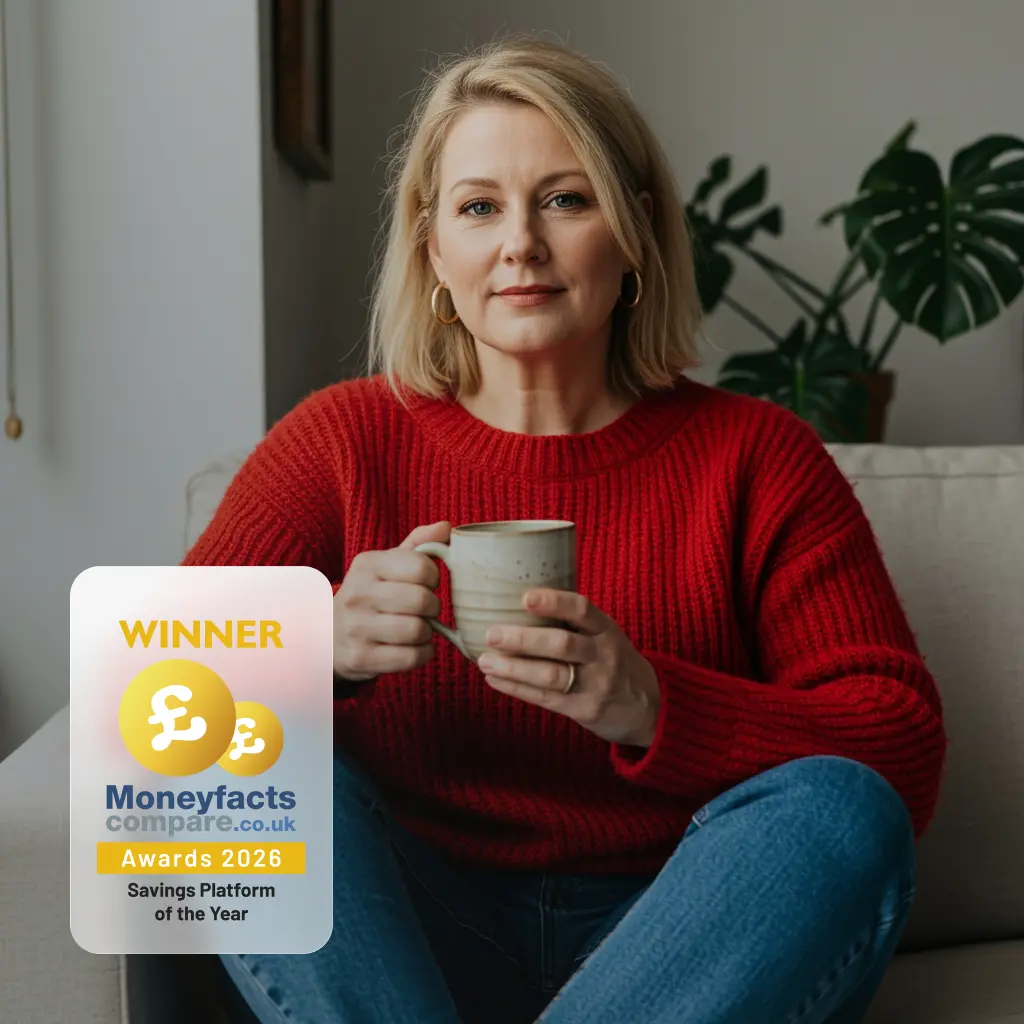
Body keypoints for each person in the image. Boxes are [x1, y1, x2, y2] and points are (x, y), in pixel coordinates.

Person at [185, 36, 946, 1024]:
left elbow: (899, 740)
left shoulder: (758, 455)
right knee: (230, 771)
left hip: (681, 943)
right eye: (478, 207)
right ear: (433, 253)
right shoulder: (339, 439)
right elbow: (143, 719)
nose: (520, 245)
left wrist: (652, 702)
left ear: (630, 234)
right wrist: (313, 647)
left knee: (844, 809)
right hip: (413, 945)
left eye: (565, 199)